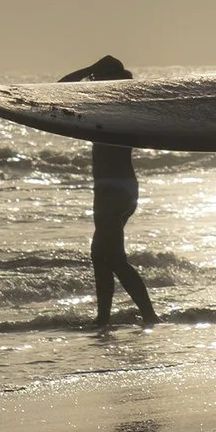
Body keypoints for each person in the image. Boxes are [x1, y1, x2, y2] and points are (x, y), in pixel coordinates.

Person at [61, 55, 158, 329]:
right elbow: (53, 92)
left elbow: (57, 89)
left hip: (114, 191)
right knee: (100, 256)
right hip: (115, 189)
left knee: (113, 257)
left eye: (95, 78)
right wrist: (92, 69)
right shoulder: (113, 106)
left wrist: (87, 69)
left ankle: (149, 315)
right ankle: (103, 318)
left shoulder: (115, 107)